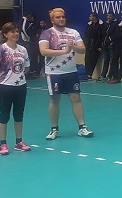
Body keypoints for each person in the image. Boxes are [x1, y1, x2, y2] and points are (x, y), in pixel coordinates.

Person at [39, 8, 94, 140]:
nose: (61, 19)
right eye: (58, 17)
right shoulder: (47, 33)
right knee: (54, 100)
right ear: (52, 20)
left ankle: (82, 127)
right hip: (54, 72)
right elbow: (44, 51)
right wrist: (64, 51)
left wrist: (73, 47)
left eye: (63, 17)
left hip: (71, 72)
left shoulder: (73, 32)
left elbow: (82, 49)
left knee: (76, 98)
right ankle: (54, 129)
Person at [0, 22, 31, 155]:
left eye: (17, 31)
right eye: (12, 32)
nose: (16, 34)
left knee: (19, 115)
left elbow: (27, 68)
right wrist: (1, 81)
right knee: (4, 115)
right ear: (5, 34)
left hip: (20, 86)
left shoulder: (23, 50)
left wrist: (18, 76)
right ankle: (3, 144)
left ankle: (19, 141)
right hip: (4, 88)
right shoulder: (1, 50)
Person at [83, 13, 103, 80]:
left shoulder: (100, 25)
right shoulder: (89, 25)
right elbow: (86, 34)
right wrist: (85, 43)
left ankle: (90, 74)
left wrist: (100, 46)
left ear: (94, 17)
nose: (89, 17)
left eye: (90, 16)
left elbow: (102, 36)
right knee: (87, 59)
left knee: (93, 60)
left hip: (96, 45)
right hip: (88, 45)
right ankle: (87, 73)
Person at [98, 12, 117, 81]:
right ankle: (103, 75)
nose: (109, 17)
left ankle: (110, 75)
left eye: (110, 16)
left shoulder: (116, 24)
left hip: (111, 45)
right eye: (108, 16)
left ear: (113, 17)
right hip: (105, 45)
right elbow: (103, 34)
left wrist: (110, 40)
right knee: (106, 60)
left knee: (112, 61)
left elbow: (115, 34)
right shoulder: (106, 24)